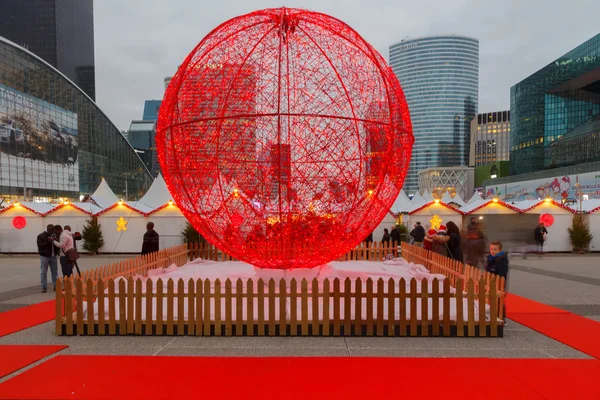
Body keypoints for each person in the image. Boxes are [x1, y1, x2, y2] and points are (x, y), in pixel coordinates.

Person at [36, 224, 59, 293]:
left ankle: (56, 286)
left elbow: (58, 244)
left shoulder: (54, 235)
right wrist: (48, 242)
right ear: (48, 230)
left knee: (55, 272)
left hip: (53, 256)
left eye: (53, 231)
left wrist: (55, 239)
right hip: (44, 256)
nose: (52, 232)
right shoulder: (41, 236)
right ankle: (44, 287)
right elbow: (40, 246)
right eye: (51, 231)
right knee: (43, 272)